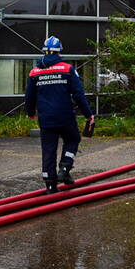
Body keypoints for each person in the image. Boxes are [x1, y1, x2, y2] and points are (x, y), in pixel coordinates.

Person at [24, 36, 94, 193]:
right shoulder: (67, 69)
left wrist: (30, 112)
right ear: (59, 52)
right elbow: (78, 95)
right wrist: (89, 114)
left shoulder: (35, 72)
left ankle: (50, 184)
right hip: (65, 116)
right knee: (73, 139)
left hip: (46, 119)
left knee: (48, 150)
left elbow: (29, 96)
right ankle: (65, 166)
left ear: (44, 51)